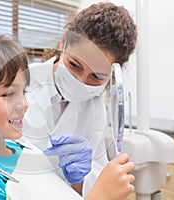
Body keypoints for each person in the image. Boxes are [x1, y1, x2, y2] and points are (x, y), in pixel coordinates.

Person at [0, 29, 134, 200]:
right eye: (8, 94)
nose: (24, 104)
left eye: (23, 92)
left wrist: (77, 183)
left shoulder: (22, 149)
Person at [22, 2, 138, 197]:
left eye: (96, 77)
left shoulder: (95, 106)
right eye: (74, 65)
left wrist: (79, 179)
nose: (80, 82)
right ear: (63, 43)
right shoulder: (22, 85)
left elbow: (96, 184)